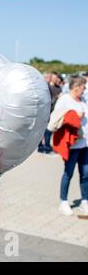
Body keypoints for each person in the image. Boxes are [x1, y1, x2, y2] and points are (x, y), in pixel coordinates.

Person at [52, 76, 88, 216]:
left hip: (85, 143)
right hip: (72, 144)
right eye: (83, 87)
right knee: (68, 173)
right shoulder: (65, 99)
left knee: (85, 174)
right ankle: (64, 202)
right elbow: (56, 118)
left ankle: (85, 201)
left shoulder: (83, 100)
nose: (84, 90)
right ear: (76, 86)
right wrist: (72, 115)